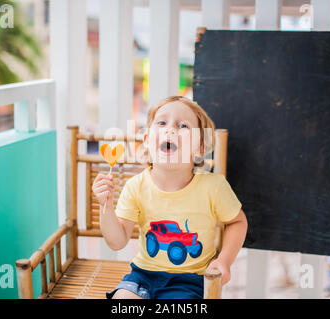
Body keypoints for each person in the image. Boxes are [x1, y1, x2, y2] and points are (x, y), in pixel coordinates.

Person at [92, 96, 248, 299]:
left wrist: (224, 260)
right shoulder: (135, 186)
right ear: (147, 141)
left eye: (183, 125)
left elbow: (238, 221)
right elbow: (117, 241)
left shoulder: (213, 187)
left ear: (200, 148)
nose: (170, 129)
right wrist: (106, 205)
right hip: (142, 276)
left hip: (190, 281)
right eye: (162, 123)